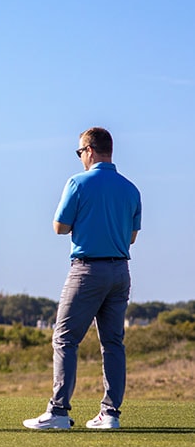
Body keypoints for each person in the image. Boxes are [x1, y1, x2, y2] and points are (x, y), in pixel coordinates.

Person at [24, 127, 140, 431]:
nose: (79, 158)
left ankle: (59, 410)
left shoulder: (77, 182)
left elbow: (60, 227)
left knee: (64, 338)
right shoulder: (131, 189)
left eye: (79, 152)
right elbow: (131, 237)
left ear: (89, 150)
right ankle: (110, 413)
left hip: (87, 269)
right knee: (113, 342)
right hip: (120, 270)